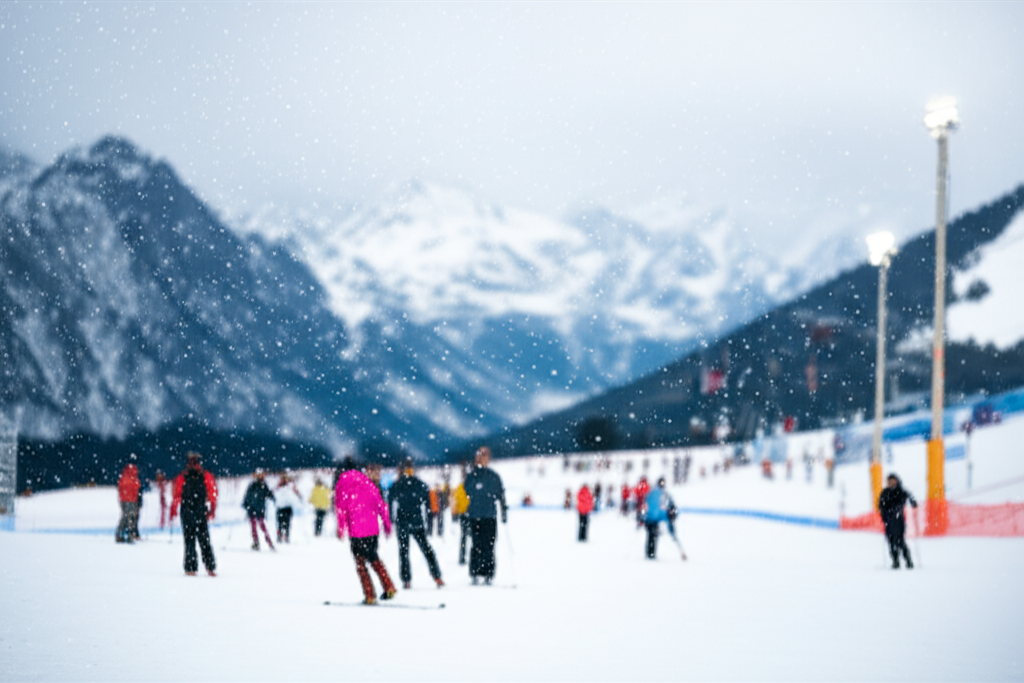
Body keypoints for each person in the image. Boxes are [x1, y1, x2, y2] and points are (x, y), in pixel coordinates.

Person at [335, 456, 397, 604]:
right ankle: (389, 586)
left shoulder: (342, 484)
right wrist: (387, 525)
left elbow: (341, 509)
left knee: (360, 564)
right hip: (372, 531)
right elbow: (382, 506)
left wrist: (341, 528)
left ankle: (370, 595)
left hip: (356, 532)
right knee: (374, 558)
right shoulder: (368, 484)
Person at [388, 459, 444, 589]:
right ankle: (436, 576)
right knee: (426, 550)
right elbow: (428, 503)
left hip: (405, 522)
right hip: (415, 521)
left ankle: (407, 580)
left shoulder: (397, 485)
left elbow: (390, 502)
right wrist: (430, 519)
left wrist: (392, 518)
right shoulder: (418, 484)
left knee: (405, 552)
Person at [464, 446, 507, 585]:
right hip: (474, 515)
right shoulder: (471, 477)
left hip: (489, 516)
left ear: (488, 458)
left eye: (484, 455)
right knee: (476, 545)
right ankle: (475, 572)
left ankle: (488, 573)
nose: (481, 458)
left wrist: (504, 511)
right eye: (479, 455)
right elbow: (464, 494)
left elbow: (501, 495)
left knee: (489, 546)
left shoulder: (493, 477)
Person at [170, 452, 218, 576]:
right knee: (204, 540)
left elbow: (176, 495)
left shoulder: (182, 477)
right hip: (200, 510)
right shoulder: (205, 475)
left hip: (187, 511)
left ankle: (190, 568)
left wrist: (174, 510)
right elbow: (212, 494)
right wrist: (212, 509)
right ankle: (210, 567)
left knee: (189, 541)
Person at [878, 473, 917, 569]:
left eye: (893, 481)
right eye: (889, 481)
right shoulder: (885, 492)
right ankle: (895, 561)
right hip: (889, 521)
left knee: (900, 541)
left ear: (896, 481)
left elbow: (910, 497)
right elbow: (880, 505)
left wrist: (913, 502)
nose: (891, 483)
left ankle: (908, 560)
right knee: (891, 542)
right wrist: (884, 515)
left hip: (899, 521)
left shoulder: (901, 491)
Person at [644, 477, 686, 560]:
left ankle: (650, 553)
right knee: (653, 536)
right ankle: (651, 554)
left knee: (651, 536)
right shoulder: (662, 494)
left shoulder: (652, 493)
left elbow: (647, 504)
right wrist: (671, 515)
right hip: (654, 518)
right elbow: (669, 506)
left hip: (650, 519)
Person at [243, 470, 275, 551]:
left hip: (259, 509)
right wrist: (247, 505)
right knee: (254, 526)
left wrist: (272, 496)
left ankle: (268, 542)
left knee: (262, 526)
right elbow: (248, 496)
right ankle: (256, 542)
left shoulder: (263, 485)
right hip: (253, 509)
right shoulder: (253, 485)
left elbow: (268, 495)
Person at [115, 458, 141, 544]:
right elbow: (137, 488)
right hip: (132, 500)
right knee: (131, 518)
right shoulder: (134, 479)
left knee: (125, 517)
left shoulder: (123, 477)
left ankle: (121, 534)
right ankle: (130, 535)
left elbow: (120, 488)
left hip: (124, 500)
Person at [274, 473, 302, 543]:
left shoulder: (290, 486)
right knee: (281, 524)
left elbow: (297, 494)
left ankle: (285, 536)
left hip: (286, 507)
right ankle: (280, 536)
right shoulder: (279, 486)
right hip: (281, 507)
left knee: (286, 524)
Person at [452, 474, 470, 565]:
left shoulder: (460, 488)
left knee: (464, 537)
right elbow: (455, 501)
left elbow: (455, 501)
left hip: (465, 514)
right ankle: (464, 557)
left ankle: (463, 557)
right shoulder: (465, 487)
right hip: (467, 514)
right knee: (467, 537)